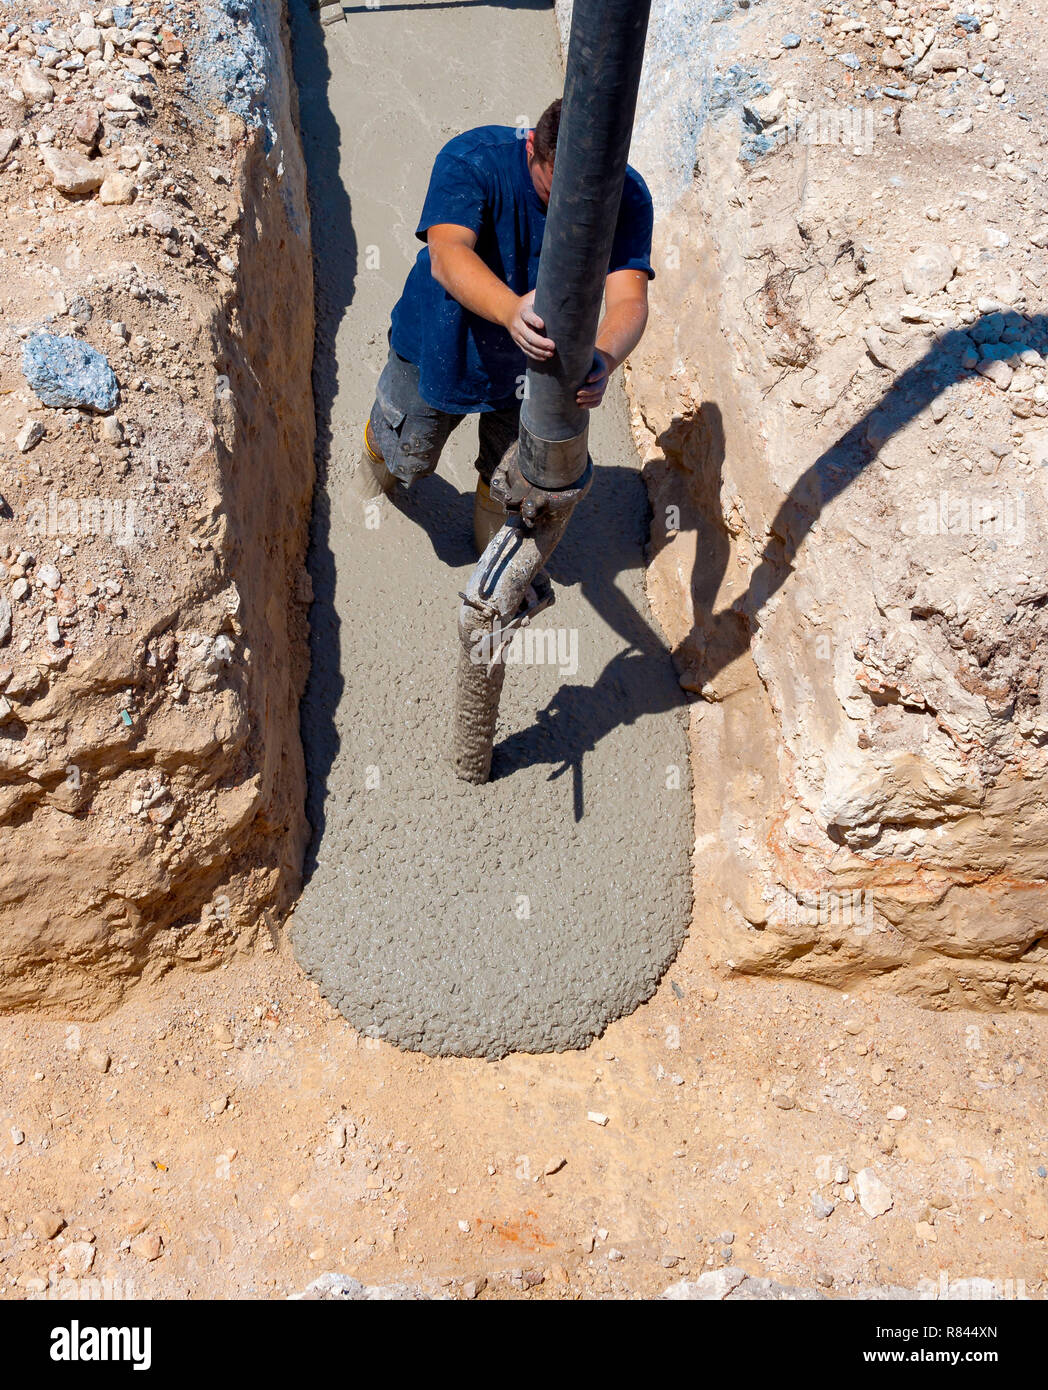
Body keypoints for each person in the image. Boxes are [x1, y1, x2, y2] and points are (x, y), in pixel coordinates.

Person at [357, 98, 655, 550]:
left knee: (508, 480)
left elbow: (630, 298)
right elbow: (446, 254)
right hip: (442, 342)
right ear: (533, 146)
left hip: (539, 370)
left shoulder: (625, 195)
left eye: (591, 200)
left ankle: (487, 557)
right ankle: (370, 480)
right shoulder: (473, 160)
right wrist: (512, 310)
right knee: (406, 454)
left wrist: (604, 357)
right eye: (560, 188)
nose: (577, 209)